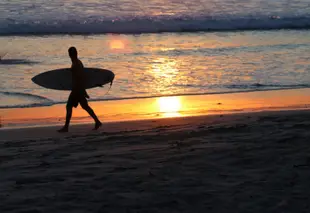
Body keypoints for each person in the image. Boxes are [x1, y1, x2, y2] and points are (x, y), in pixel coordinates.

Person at [58, 47, 102, 132]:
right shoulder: (76, 63)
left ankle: (66, 127)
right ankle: (97, 121)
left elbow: (80, 78)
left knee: (69, 106)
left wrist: (82, 91)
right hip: (78, 89)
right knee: (85, 106)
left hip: (77, 89)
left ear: (70, 54)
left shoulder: (76, 64)